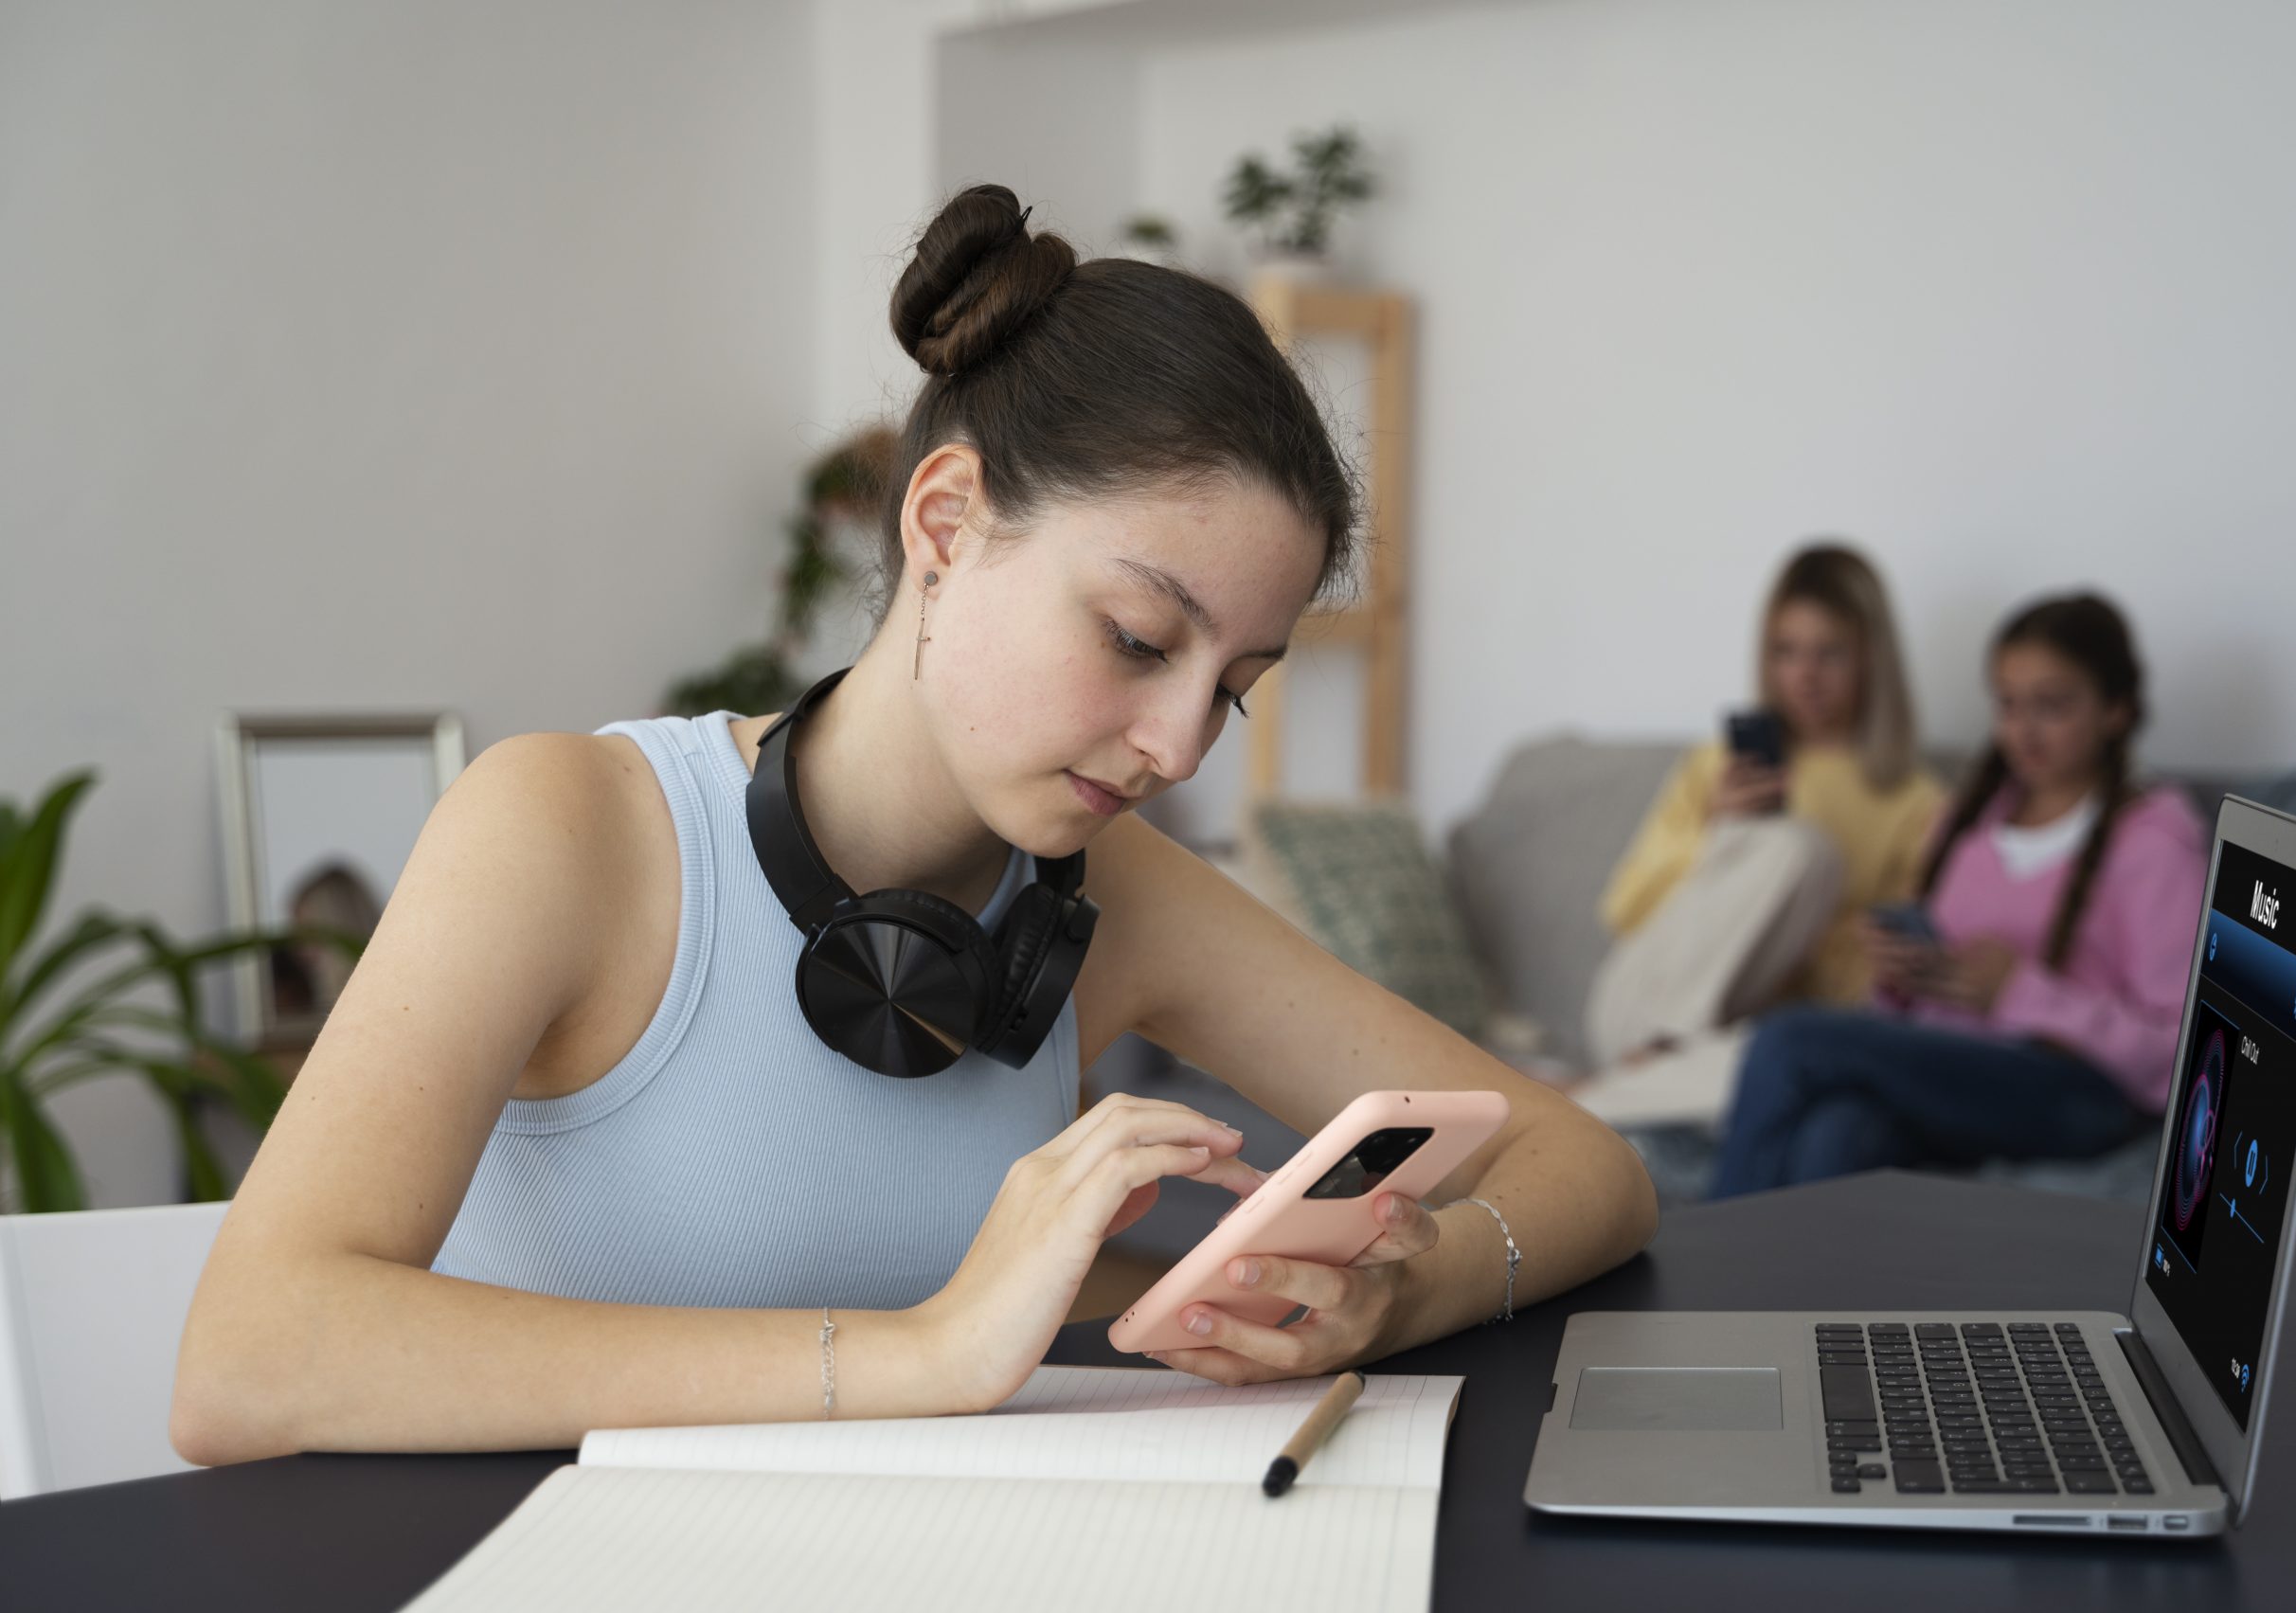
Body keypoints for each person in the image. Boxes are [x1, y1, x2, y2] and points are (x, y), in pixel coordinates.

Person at [171, 185, 1658, 1462]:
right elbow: (249, 1355)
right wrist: (918, 1354)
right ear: (944, 525)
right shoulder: (567, 829)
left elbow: (1586, 1163)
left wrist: (1417, 1280)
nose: (1177, 743)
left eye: (1237, 689)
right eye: (1142, 638)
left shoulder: (1105, 887)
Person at [1708, 593, 2206, 1196]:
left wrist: (2020, 993)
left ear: (2117, 710)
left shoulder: (2153, 843)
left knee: (1788, 1041)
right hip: (1956, 1071)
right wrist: (1902, 980)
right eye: (2008, 705)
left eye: (2052, 705)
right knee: (1837, 1133)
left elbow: (2181, 1052)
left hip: (2077, 1093)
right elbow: (1924, 1018)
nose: (2023, 731)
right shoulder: (1966, 825)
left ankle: (1711, 1281)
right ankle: (1795, 1291)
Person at [1581, 544, 1943, 1074]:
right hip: (1642, 1003)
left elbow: (1868, 996)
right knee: (1803, 848)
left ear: (1870, 655)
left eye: (1830, 653)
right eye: (1785, 651)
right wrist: (1721, 839)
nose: (1805, 676)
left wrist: (1823, 928)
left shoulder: (1918, 805)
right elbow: (1625, 910)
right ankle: (1653, 1060)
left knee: (1794, 1070)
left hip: (1753, 1039)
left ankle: (1606, 1095)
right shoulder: (1715, 766)